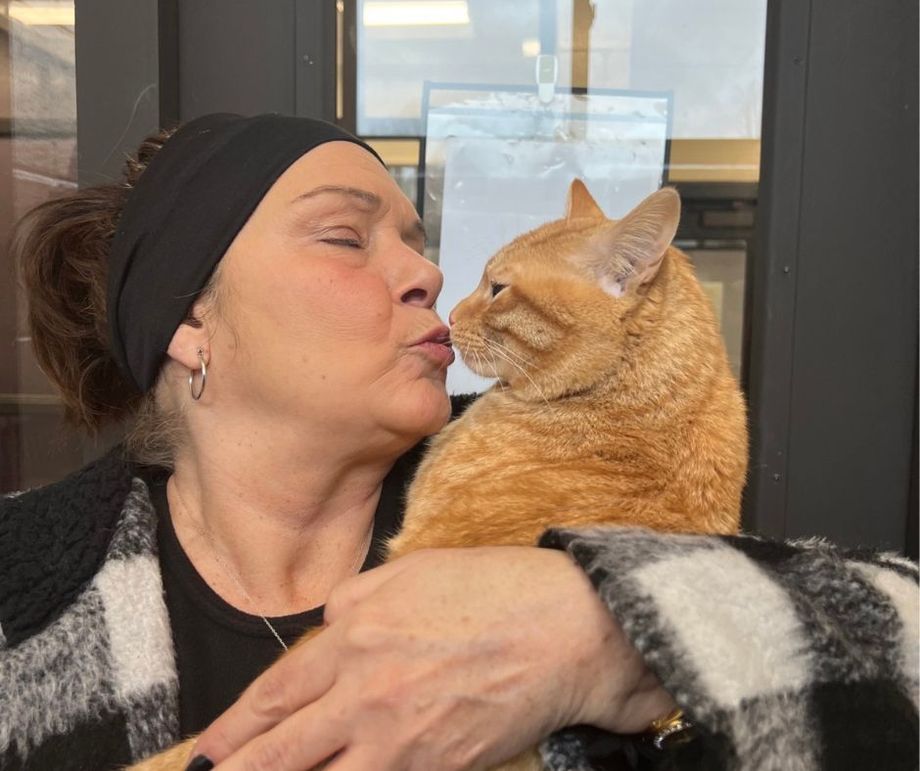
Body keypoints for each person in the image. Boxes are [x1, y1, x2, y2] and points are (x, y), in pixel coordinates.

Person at [0, 113, 915, 771]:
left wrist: (603, 633)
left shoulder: (569, 488)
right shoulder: (24, 576)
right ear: (189, 325)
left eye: (417, 238)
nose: (430, 272)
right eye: (344, 237)